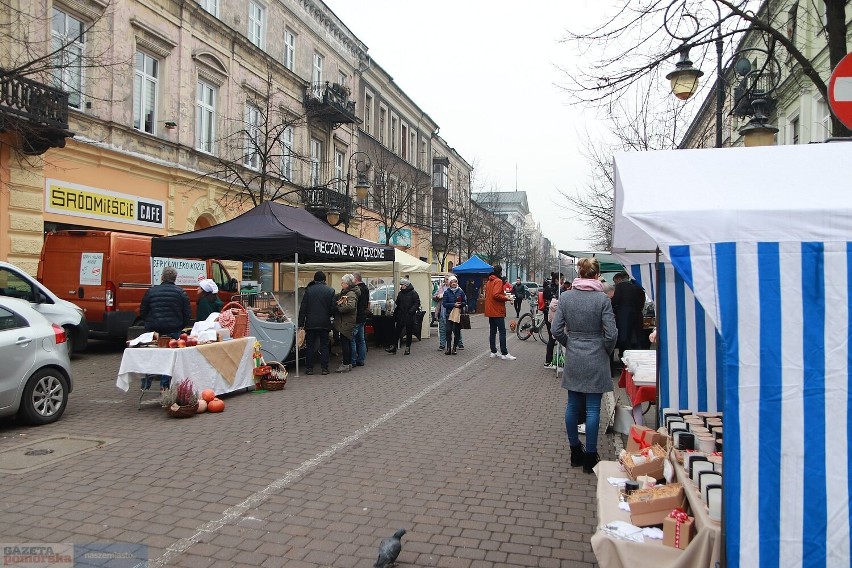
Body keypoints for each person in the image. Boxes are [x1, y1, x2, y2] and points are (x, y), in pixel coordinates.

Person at [551, 257, 617, 473]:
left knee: (572, 405)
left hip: (575, 354)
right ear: (597, 276)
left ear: (579, 273)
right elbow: (611, 333)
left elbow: (556, 329)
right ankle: (590, 456)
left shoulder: (567, 297)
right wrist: (605, 350)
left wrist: (570, 343)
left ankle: (574, 451)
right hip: (596, 354)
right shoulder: (602, 299)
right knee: (593, 408)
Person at [140, 265, 191, 390]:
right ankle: (165, 384)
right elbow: (187, 314)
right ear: (175, 278)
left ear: (162, 277)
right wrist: (180, 326)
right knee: (169, 358)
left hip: (154, 330)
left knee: (152, 354)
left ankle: (146, 382)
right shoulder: (181, 293)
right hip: (173, 331)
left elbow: (143, 311)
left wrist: (149, 323)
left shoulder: (151, 291)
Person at [298, 271, 335, 375]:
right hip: (324, 322)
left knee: (310, 346)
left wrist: (301, 323)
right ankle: (324, 368)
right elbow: (333, 308)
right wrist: (328, 315)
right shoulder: (330, 290)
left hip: (310, 323)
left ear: (314, 279)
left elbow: (303, 308)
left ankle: (309, 368)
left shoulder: (308, 290)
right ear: (324, 280)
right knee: (324, 345)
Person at [485, 265, 515, 360]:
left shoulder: (489, 281)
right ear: (500, 272)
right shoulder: (498, 281)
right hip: (497, 310)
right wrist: (506, 298)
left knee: (492, 331)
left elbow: (490, 294)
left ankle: (493, 351)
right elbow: (496, 294)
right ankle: (504, 353)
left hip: (490, 310)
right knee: (502, 331)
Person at [386, 278, 420, 355]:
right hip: (401, 315)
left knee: (409, 332)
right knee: (397, 332)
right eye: (401, 285)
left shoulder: (413, 293)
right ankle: (394, 346)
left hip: (409, 315)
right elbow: (398, 302)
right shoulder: (401, 293)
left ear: (407, 285)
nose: (401, 286)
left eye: (402, 285)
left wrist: (411, 311)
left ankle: (408, 347)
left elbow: (417, 303)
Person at [333, 274, 360, 373]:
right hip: (347, 321)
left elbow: (350, 306)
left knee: (345, 343)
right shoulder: (348, 292)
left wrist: (339, 308)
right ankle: (348, 363)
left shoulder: (351, 294)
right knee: (347, 342)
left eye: (343, 282)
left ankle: (346, 363)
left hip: (347, 321)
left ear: (347, 284)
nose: (341, 284)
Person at [441, 275, 466, 355]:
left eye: (455, 282)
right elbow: (444, 304)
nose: (454, 283)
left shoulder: (460, 291)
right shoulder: (447, 292)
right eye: (452, 282)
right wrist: (453, 304)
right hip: (449, 314)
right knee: (448, 330)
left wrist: (460, 304)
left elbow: (465, 302)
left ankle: (454, 347)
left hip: (458, 314)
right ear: (449, 283)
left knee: (457, 331)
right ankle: (448, 347)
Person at [350, 272, 369, 368]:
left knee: (352, 339)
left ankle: (353, 360)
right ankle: (361, 359)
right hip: (363, 316)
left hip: (356, 317)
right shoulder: (366, 288)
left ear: (355, 280)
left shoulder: (357, 290)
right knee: (361, 340)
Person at [543, 273, 560, 369]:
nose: (562, 281)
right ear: (556, 279)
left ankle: (549, 361)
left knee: (552, 338)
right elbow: (552, 303)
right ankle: (548, 361)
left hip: (550, 315)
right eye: (561, 279)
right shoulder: (552, 289)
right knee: (552, 338)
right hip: (550, 315)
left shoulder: (552, 287)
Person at [433, 275, 449, 350]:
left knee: (455, 329)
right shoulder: (441, 288)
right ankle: (442, 344)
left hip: (453, 311)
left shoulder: (457, 288)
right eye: (445, 279)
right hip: (442, 310)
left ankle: (459, 343)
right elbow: (434, 296)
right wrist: (437, 297)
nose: (446, 280)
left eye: (448, 279)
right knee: (442, 328)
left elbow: (462, 298)